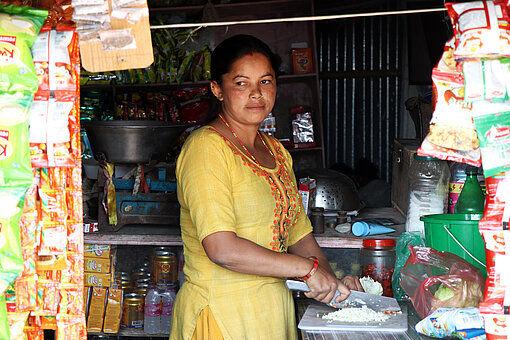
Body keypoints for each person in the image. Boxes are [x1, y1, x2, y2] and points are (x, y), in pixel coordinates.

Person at [170, 34, 362, 340]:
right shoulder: (205, 149)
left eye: (266, 81)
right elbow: (221, 249)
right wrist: (307, 271)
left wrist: (331, 282)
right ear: (217, 89)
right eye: (242, 83)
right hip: (223, 315)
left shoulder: (276, 151)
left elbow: (299, 235)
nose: (257, 94)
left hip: (273, 313)